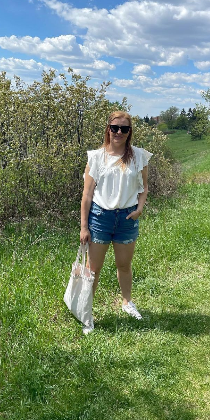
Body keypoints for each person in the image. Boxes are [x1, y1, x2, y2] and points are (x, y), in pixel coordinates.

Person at [80, 111, 152, 334]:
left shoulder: (139, 156)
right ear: (108, 129)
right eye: (115, 128)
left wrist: (140, 208)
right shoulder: (96, 157)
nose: (119, 132)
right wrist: (84, 226)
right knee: (93, 269)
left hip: (127, 219)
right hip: (100, 218)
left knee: (124, 265)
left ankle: (127, 302)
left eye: (124, 129)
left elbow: (144, 186)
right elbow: (87, 194)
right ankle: (86, 313)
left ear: (129, 132)